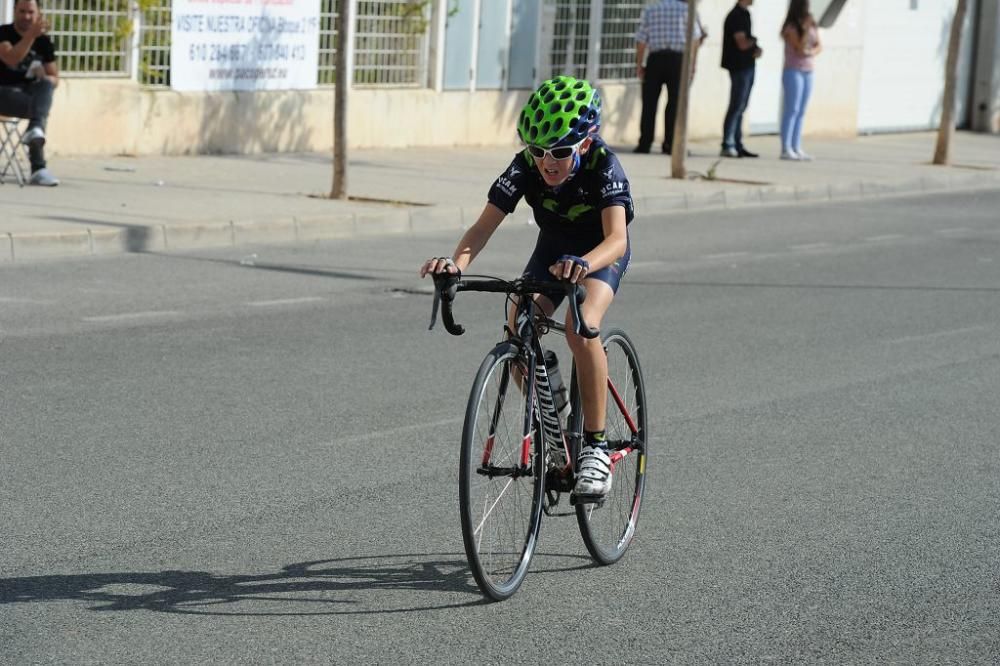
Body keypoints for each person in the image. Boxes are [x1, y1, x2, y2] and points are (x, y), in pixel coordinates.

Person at [420, 76, 634, 501]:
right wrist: (455, 264)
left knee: (581, 326)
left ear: (585, 144)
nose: (547, 162)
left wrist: (585, 262)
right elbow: (482, 227)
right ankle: (557, 416)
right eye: (538, 151)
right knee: (519, 329)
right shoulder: (524, 166)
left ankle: (594, 445)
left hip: (597, 254)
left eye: (559, 152)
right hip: (552, 250)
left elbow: (618, 240)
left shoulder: (604, 164)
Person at [0, 0, 59, 186]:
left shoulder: (44, 41)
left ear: (38, 13)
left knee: (46, 86)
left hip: (29, 96)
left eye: (31, 12)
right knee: (40, 110)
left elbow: (55, 76)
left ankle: (34, 131)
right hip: (4, 94)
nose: (26, 16)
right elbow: (10, 59)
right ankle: (38, 167)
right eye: (22, 11)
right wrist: (30, 37)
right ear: (15, 11)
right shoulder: (3, 33)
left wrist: (44, 76)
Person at [633, 0, 704, 155]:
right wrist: (692, 65)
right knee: (675, 103)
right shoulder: (687, 11)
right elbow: (695, 39)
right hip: (678, 61)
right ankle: (670, 144)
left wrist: (639, 64)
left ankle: (645, 143)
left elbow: (641, 40)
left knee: (649, 103)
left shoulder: (651, 10)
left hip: (655, 59)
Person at [779, 0, 822, 161]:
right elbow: (798, 47)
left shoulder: (812, 24)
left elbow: (818, 45)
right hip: (793, 70)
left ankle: (797, 146)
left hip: (808, 70)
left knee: (801, 110)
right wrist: (804, 30)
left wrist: (812, 51)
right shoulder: (791, 27)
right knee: (792, 109)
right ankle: (786, 148)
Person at [720, 0, 762, 158]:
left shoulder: (745, 14)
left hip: (747, 65)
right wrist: (753, 42)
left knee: (741, 106)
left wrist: (755, 47)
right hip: (739, 67)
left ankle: (737, 143)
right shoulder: (736, 16)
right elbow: (742, 43)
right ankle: (728, 143)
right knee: (736, 105)